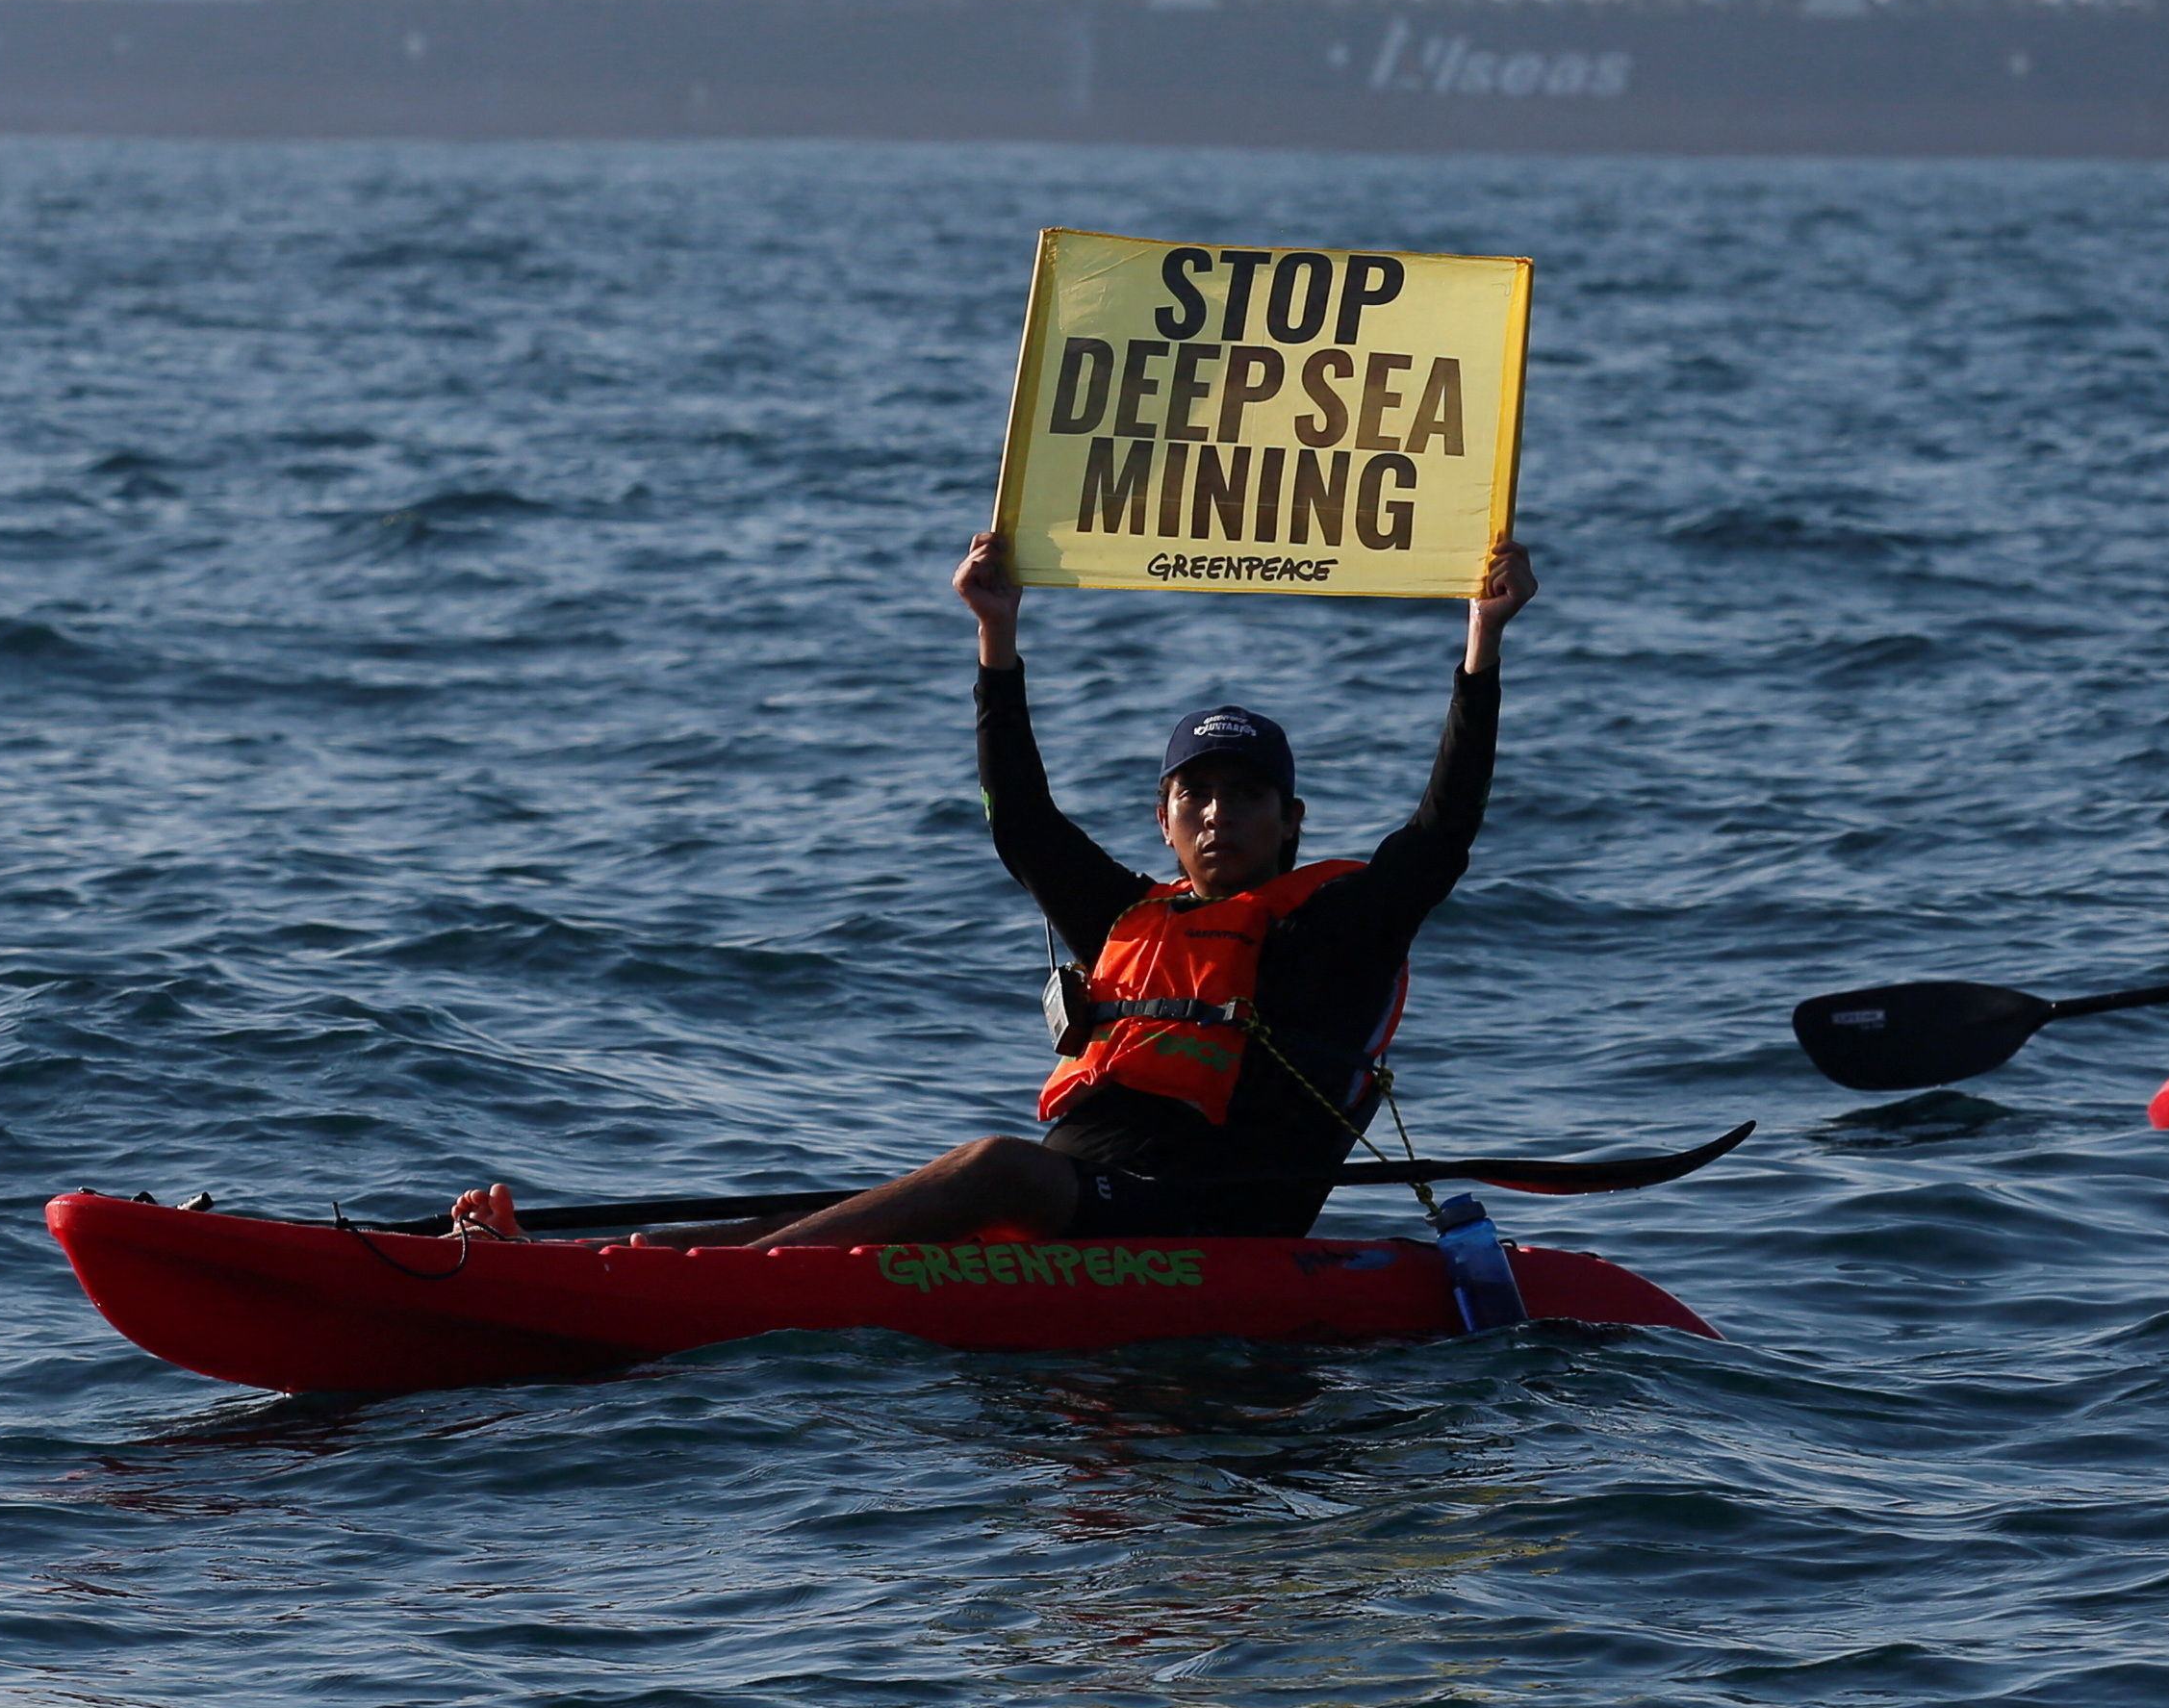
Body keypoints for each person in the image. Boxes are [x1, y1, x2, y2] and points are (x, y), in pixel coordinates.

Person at [457, 522, 1537, 1249]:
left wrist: (1481, 643)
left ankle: (698, 1284)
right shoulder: (1129, 915)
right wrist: (995, 633)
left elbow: (1442, 832)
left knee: (989, 1169)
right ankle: (585, 1253)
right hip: (1088, 1200)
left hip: (1203, 1218)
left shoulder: (1335, 929)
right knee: (872, 1197)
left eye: (1248, 795)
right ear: (1163, 817)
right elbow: (1021, 823)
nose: (1219, 812)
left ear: (1291, 821)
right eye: (1195, 793)